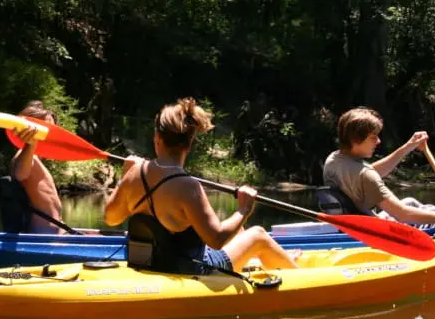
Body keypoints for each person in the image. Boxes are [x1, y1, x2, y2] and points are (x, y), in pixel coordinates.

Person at [104, 97, 297, 273]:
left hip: (151, 262)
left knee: (238, 230)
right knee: (258, 235)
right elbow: (216, 239)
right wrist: (244, 209)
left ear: (157, 138)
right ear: (190, 143)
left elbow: (111, 218)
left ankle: (269, 261)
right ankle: (297, 274)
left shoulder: (135, 173)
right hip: (191, 268)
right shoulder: (188, 187)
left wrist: (125, 175)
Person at [322, 107, 435, 226]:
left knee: (411, 202)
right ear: (356, 139)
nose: (379, 141)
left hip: (355, 226)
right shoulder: (365, 176)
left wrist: (407, 147)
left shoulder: (334, 160)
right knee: (431, 210)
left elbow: (368, 173)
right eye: (373, 137)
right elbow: (403, 214)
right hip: (376, 233)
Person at [12, 100, 65, 234]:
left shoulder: (35, 158)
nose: (49, 135)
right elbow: (20, 174)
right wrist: (31, 144)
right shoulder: (24, 156)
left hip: (55, 233)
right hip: (43, 235)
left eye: (52, 129)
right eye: (45, 129)